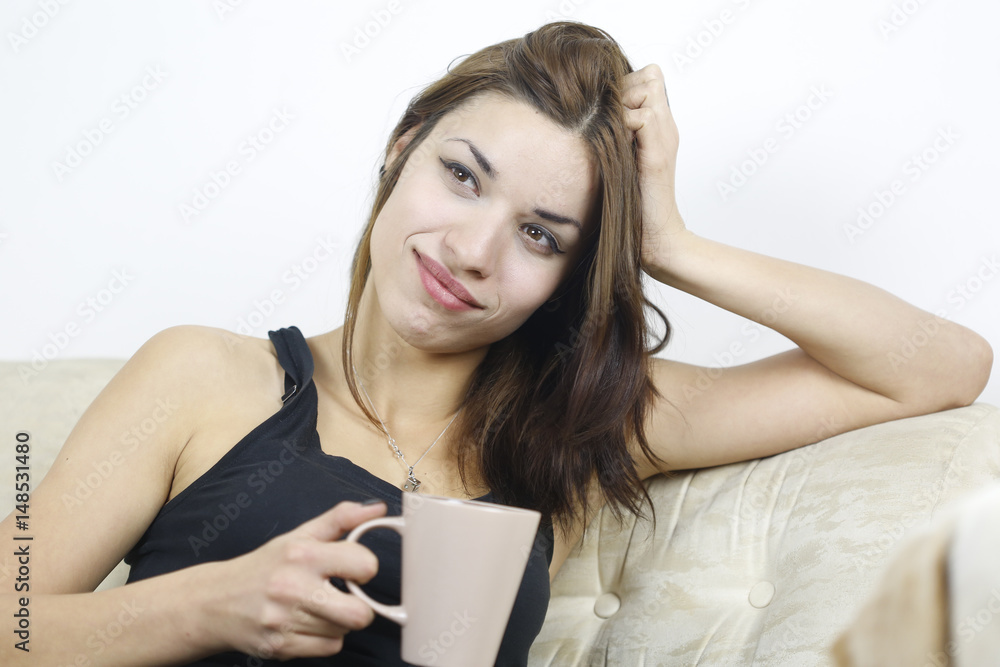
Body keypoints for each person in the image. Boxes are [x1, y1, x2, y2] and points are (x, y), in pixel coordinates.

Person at [0, 20, 992, 666]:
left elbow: (940, 366)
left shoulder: (584, 425)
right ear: (402, 148)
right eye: (463, 176)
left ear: (572, 269)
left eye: (541, 234)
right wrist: (211, 603)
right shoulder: (203, 375)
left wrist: (670, 246)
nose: (471, 252)